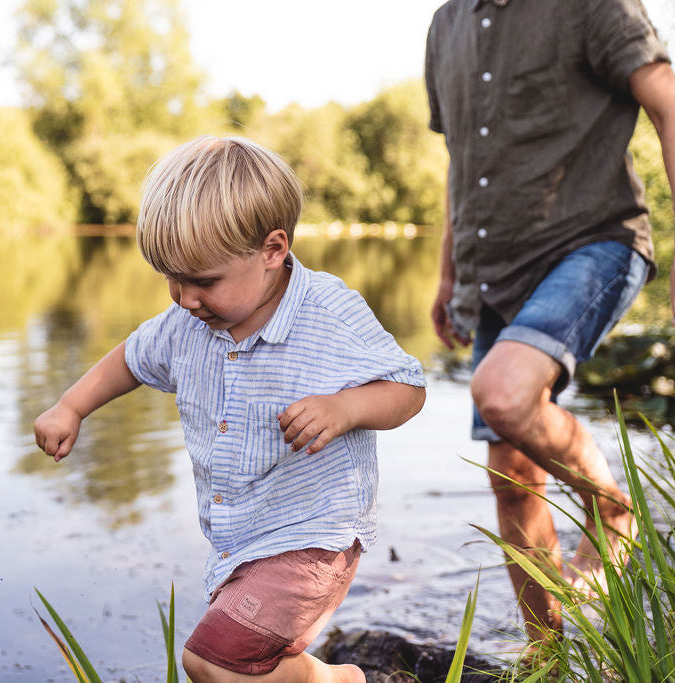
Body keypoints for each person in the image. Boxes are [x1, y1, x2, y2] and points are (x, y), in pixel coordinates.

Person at [34, 136, 426, 682]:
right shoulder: (187, 325)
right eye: (170, 277)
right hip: (240, 538)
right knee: (251, 666)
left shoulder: (327, 313)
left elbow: (409, 388)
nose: (184, 298)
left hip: (313, 536)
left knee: (212, 660)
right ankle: (341, 681)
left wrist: (347, 407)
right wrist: (70, 407)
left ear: (272, 250)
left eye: (203, 281)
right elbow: (132, 357)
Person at [425, 0, 675, 643]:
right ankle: (550, 652)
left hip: (592, 243)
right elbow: (463, 159)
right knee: (510, 476)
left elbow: (668, 101)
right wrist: (450, 275)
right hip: (496, 272)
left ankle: (612, 507)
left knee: (505, 395)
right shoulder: (445, 25)